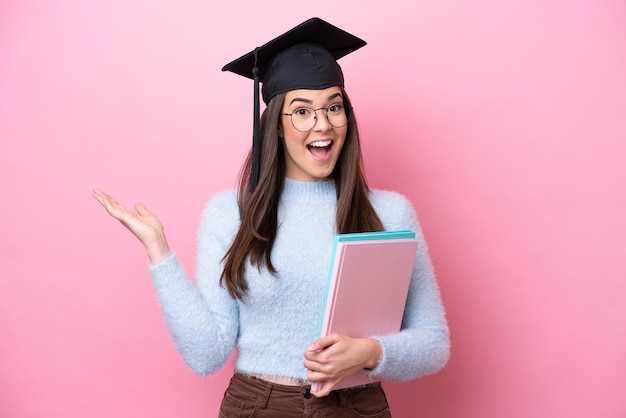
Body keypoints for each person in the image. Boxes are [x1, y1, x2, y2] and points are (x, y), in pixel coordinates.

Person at [93, 17, 449, 418]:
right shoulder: (230, 214)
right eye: (302, 111)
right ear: (276, 126)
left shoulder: (390, 212)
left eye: (334, 107)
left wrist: (370, 352)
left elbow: (433, 343)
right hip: (258, 407)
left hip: (356, 406)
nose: (322, 124)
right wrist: (159, 252)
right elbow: (206, 355)